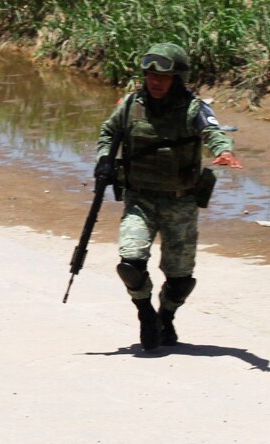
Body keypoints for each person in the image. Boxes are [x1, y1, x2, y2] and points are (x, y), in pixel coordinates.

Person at [96, 43, 243, 350]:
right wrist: (104, 160)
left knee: (181, 279)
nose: (155, 82)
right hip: (140, 199)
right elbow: (109, 132)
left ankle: (167, 314)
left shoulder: (193, 107)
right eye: (150, 75)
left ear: (177, 78)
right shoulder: (130, 104)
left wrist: (224, 151)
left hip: (181, 202)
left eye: (163, 77)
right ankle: (145, 313)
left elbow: (212, 132)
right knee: (131, 263)